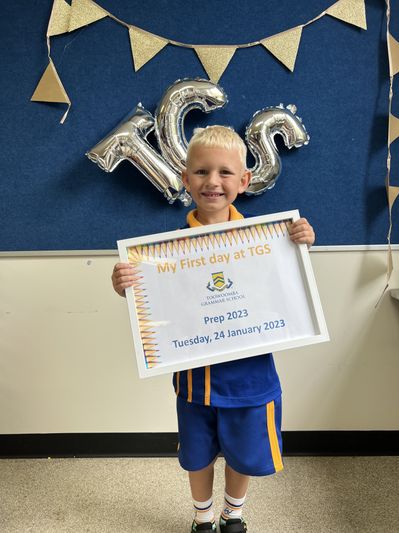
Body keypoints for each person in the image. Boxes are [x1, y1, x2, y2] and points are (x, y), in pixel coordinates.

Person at [112, 126, 315, 533]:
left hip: (251, 377)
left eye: (225, 172)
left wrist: (301, 243)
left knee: (245, 454)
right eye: (202, 172)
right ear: (185, 179)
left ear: (244, 180)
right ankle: (202, 518)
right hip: (196, 379)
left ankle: (232, 514)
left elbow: (284, 289)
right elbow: (156, 306)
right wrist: (125, 285)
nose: (213, 181)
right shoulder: (163, 252)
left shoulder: (269, 240)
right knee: (198, 455)